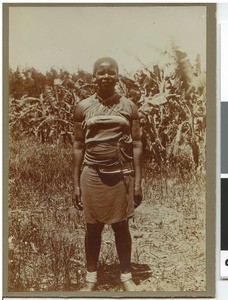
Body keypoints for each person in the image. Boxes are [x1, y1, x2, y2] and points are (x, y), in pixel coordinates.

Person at [72, 57, 143, 291]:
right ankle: (91, 278)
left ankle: (126, 277)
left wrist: (138, 183)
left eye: (110, 72)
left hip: (121, 175)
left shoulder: (128, 106)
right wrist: (76, 184)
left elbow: (136, 145)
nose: (105, 76)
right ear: (94, 77)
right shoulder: (83, 107)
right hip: (92, 175)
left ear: (117, 76)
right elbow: (78, 146)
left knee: (121, 227)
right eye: (100, 73)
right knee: (93, 229)